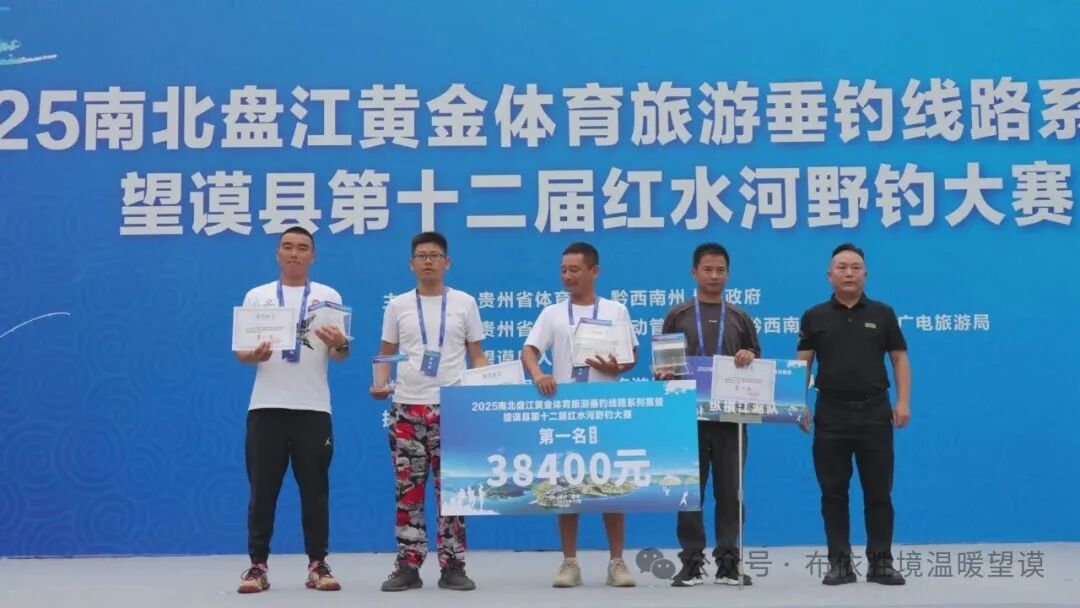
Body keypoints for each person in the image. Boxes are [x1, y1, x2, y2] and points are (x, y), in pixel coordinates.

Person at [370, 231, 489, 592]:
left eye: (435, 255)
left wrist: (484, 391)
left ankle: (453, 565)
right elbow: (385, 353)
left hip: (452, 409)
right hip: (407, 409)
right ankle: (408, 565)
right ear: (411, 264)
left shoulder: (465, 303)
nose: (427, 261)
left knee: (453, 491)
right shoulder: (398, 305)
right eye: (421, 255)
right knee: (408, 493)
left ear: (447, 262)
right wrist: (380, 383)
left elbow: (477, 355)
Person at [235, 226, 350, 594]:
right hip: (266, 406)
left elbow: (340, 354)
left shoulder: (328, 296)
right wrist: (254, 354)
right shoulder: (258, 296)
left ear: (312, 256)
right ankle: (257, 566)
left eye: (302, 248)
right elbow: (242, 354)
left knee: (315, 491)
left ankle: (318, 564)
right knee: (262, 491)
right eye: (287, 247)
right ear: (277, 254)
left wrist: (341, 343)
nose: (294, 253)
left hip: (313, 408)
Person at [521, 242, 639, 588]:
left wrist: (618, 367)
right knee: (565, 487)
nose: (567, 276)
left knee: (611, 485)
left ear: (594, 271)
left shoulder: (616, 310)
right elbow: (529, 350)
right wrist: (538, 375)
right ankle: (569, 562)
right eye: (563, 270)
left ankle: (617, 562)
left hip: (607, 409)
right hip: (566, 411)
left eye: (574, 269)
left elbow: (631, 356)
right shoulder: (552, 313)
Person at [796, 243, 911, 586]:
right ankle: (840, 564)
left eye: (855, 267)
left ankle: (881, 563)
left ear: (866, 274)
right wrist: (798, 402)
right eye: (842, 267)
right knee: (833, 493)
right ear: (829, 275)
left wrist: (903, 402)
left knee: (879, 493)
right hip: (831, 414)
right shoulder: (814, 316)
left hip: (875, 412)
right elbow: (803, 362)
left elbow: (899, 359)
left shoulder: (883, 313)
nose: (849, 273)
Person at [658, 243, 760, 587]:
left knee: (731, 491)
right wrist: (663, 373)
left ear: (728, 274)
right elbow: (663, 368)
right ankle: (691, 562)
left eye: (720, 270)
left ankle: (729, 563)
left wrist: (748, 356)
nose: (714, 276)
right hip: (687, 419)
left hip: (731, 419)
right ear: (694, 272)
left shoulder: (740, 317)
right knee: (689, 492)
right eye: (707, 269)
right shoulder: (678, 315)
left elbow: (756, 362)